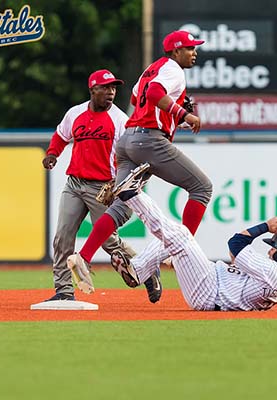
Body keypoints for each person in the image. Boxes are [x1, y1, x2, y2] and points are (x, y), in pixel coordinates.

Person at [67, 30, 213, 298]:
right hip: (149, 142)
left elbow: (138, 99)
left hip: (127, 142)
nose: (195, 52)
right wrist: (183, 114)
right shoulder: (173, 70)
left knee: (122, 207)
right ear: (175, 51)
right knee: (202, 188)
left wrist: (172, 116)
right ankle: (179, 251)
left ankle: (83, 257)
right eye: (190, 48)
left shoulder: (151, 69)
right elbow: (156, 93)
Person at [71, 163, 277, 311]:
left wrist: (265, 226)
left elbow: (235, 244)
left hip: (209, 291)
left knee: (181, 237)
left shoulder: (274, 274)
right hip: (212, 283)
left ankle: (131, 194)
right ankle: (138, 270)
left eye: (273, 247)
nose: (270, 249)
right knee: (173, 240)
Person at [42, 69, 158, 302]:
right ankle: (63, 291)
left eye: (114, 88)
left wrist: (121, 185)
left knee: (108, 241)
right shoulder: (75, 114)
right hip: (74, 184)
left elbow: (130, 155)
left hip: (103, 188)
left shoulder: (119, 121)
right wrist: (52, 153)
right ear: (92, 89)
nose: (111, 92)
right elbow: (61, 135)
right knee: (63, 236)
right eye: (105, 88)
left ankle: (146, 271)